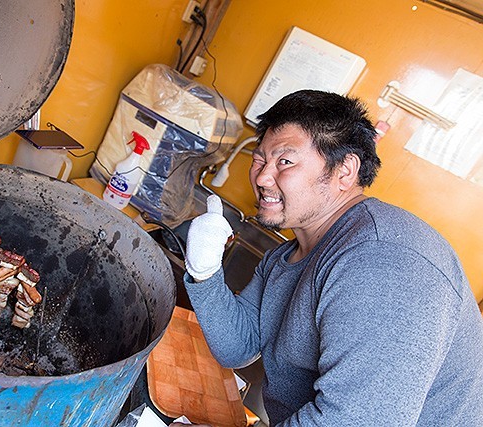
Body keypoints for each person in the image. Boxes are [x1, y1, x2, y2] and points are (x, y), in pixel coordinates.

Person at [181, 90, 483, 426]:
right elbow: (239, 345)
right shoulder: (289, 256)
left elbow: (357, 421)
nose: (263, 177)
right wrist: (204, 271)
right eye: (259, 158)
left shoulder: (385, 260)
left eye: (285, 161)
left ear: (344, 171)